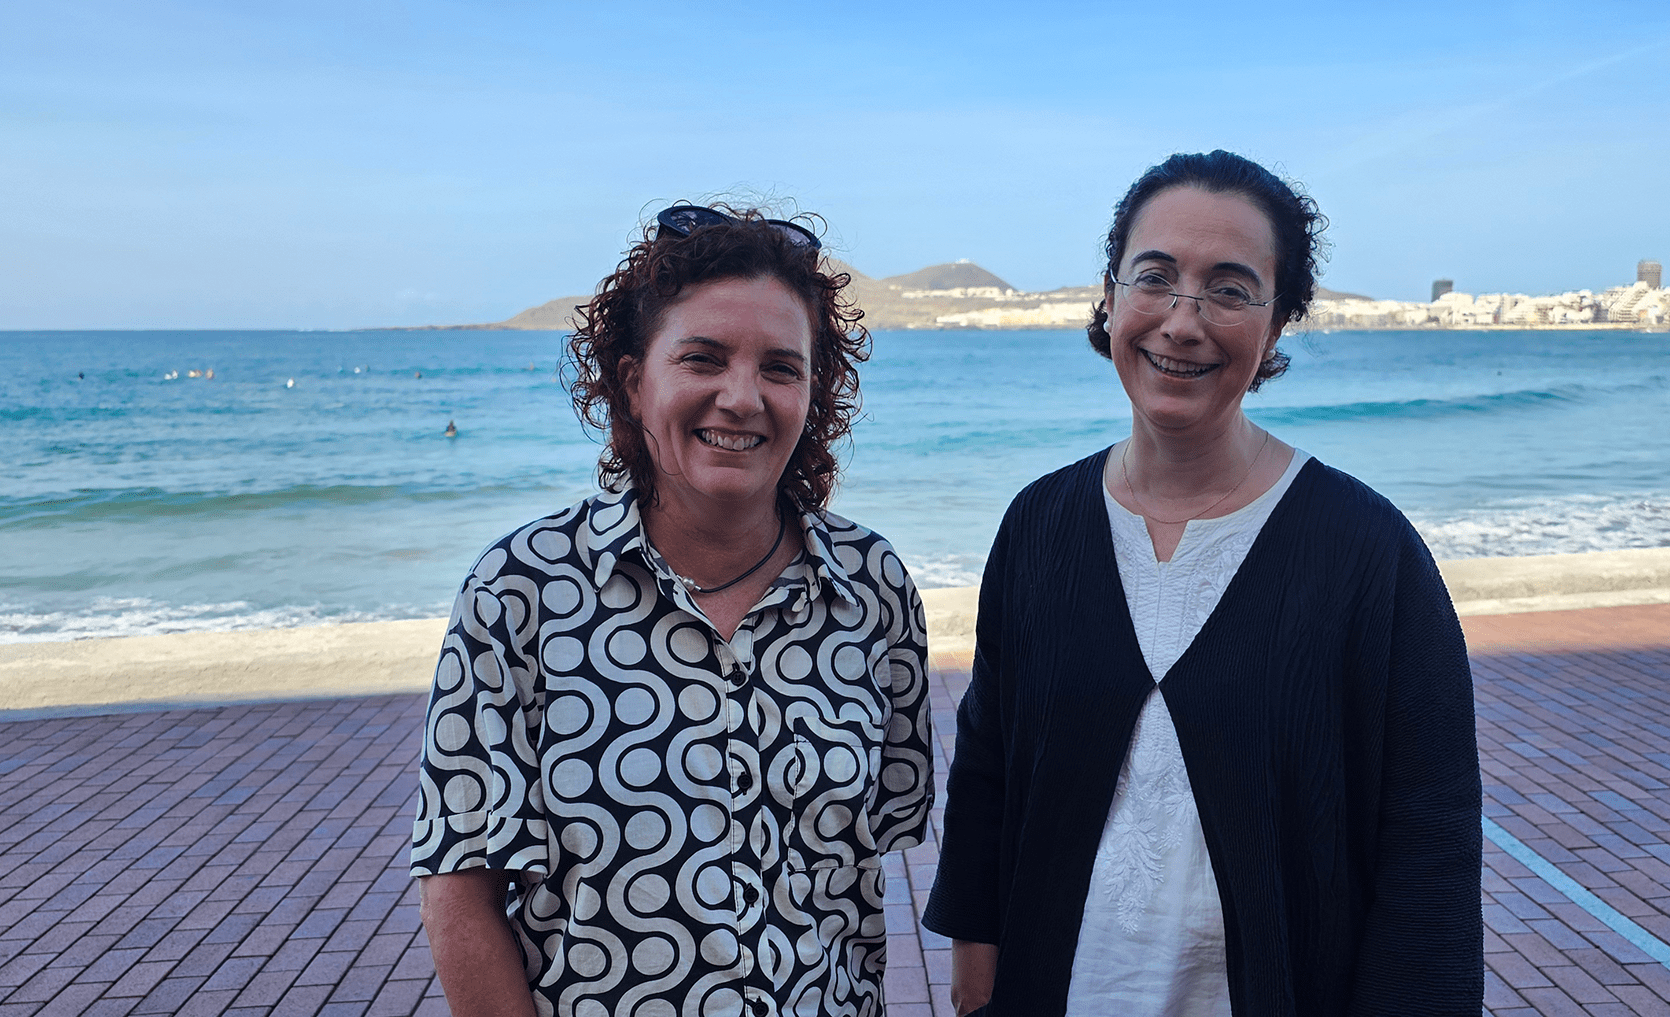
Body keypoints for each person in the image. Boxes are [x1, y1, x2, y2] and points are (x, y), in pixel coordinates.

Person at [922, 151, 1482, 1016]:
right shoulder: (1038, 527)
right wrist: (975, 956)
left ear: (1278, 325)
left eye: (1229, 289)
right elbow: (990, 767)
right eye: (1155, 277)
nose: (1183, 322)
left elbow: (1428, 845)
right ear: (1109, 297)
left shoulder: (1369, 554)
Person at [412, 203, 936, 1017]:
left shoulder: (872, 587)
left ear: (813, 393)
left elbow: (866, 867)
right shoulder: (521, 590)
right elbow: (460, 890)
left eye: (780, 368)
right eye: (703, 358)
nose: (741, 397)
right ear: (632, 380)